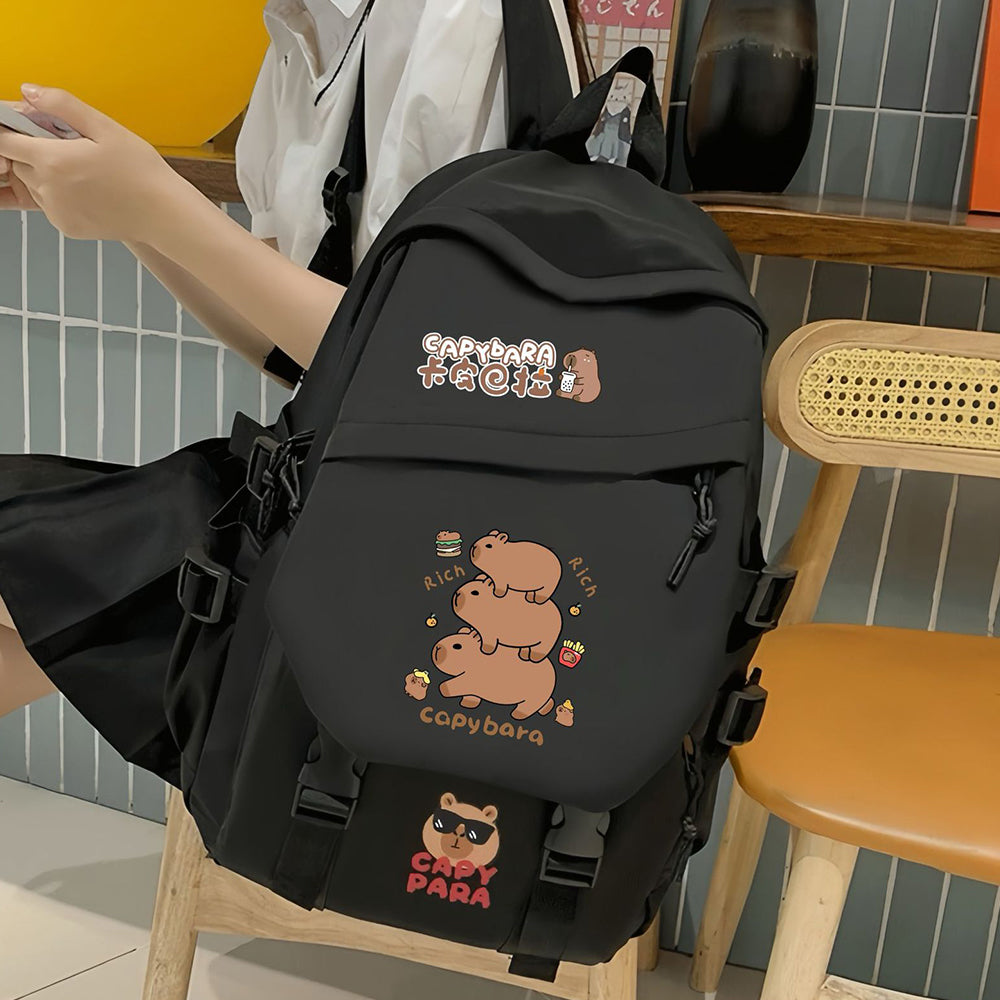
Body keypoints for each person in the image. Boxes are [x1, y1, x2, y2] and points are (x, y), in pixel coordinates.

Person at [0, 0, 591, 782]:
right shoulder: (299, 30)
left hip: (424, 547)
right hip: (329, 491)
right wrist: (128, 216)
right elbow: (290, 351)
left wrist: (156, 206)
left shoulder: (461, 22)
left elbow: (443, 375)